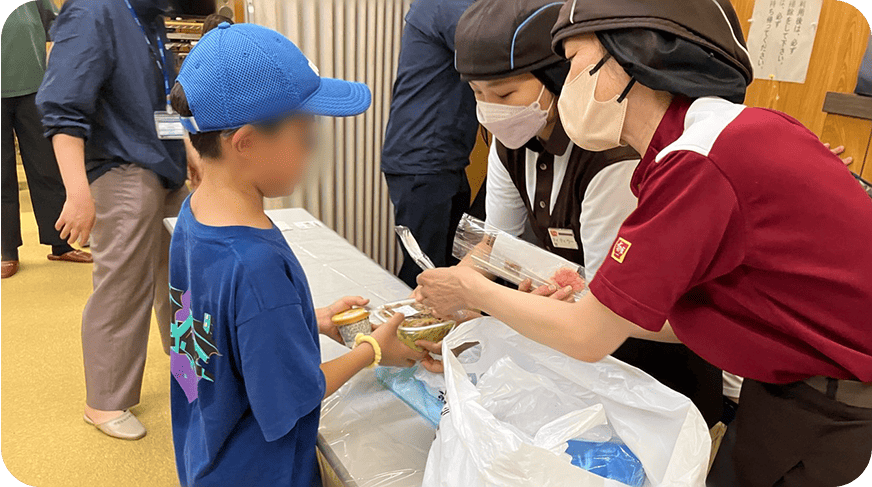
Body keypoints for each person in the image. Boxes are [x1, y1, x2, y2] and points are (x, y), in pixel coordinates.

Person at [415, 0, 872, 485]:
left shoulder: (698, 161)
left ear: (634, 59)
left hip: (834, 394)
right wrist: (601, 301)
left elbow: (588, 338)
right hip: (791, 374)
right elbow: (673, 313)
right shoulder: (702, 143)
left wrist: (473, 291)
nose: (566, 86)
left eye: (572, 66)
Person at [426, 0, 722, 426]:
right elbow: (498, 245)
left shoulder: (610, 155)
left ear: (557, 77)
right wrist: (450, 299)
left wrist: (475, 296)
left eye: (506, 93)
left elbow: (606, 310)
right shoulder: (510, 140)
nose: (492, 112)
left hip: (645, 351)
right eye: (477, 95)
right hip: (575, 325)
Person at [167, 22, 425, 486]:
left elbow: (218, 327)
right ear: (245, 142)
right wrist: (371, 349)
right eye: (305, 135)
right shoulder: (257, 265)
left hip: (206, 451)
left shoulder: (194, 215)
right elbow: (293, 398)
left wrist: (312, 320)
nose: (313, 151)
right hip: (260, 472)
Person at [37, 0, 190, 439]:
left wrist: (189, 155)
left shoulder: (150, 18)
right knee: (123, 288)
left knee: (181, 279)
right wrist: (78, 191)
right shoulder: (92, 12)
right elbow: (64, 106)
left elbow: (161, 103)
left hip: (163, 165)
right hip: (118, 168)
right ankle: (103, 403)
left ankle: (187, 367)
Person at [381, 0, 478, 288]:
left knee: (451, 265)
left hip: (443, 159)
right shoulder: (446, 5)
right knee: (425, 274)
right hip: (423, 160)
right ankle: (402, 332)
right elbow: (494, 50)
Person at [1, 0, 92, 279]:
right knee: (2, 174)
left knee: (47, 167)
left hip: (34, 89)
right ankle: (6, 250)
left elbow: (59, 24)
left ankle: (61, 243)